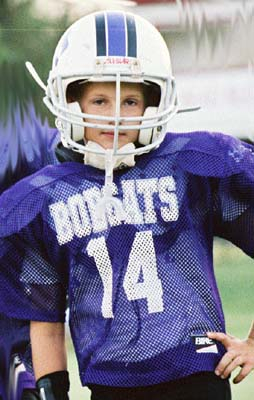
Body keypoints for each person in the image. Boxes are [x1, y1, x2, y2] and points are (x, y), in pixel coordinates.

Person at [0, 9, 254, 400]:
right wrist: (52, 391)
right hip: (110, 382)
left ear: (153, 105)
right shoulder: (41, 198)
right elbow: (45, 317)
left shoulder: (192, 164)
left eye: (131, 100)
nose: (115, 115)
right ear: (69, 100)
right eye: (99, 99)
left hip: (196, 375)